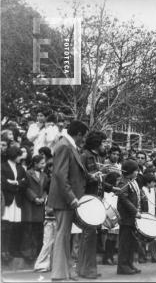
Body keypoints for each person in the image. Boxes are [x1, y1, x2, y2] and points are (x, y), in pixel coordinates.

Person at [47, 120, 89, 281]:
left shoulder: (68, 145)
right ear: (78, 134)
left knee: (65, 236)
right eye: (83, 137)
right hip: (64, 200)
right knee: (62, 235)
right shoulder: (64, 146)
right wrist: (71, 198)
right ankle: (58, 274)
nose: (84, 140)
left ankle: (64, 272)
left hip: (66, 199)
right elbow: (60, 175)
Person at [76, 131, 108, 279]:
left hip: (95, 199)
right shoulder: (85, 156)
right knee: (89, 235)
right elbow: (80, 178)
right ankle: (87, 270)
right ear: (97, 144)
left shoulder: (96, 157)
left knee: (90, 236)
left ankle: (86, 269)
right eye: (103, 142)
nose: (106, 145)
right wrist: (94, 177)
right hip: (88, 200)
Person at [1, 146, 27, 262]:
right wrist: (18, 183)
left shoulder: (20, 168)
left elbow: (25, 183)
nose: (20, 157)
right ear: (14, 155)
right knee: (6, 226)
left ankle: (12, 250)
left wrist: (14, 182)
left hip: (17, 200)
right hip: (8, 200)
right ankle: (4, 250)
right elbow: (4, 184)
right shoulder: (3, 167)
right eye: (18, 155)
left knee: (16, 226)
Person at [116, 159, 142, 275]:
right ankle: (122, 266)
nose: (137, 172)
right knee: (125, 242)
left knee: (131, 242)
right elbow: (123, 199)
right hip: (126, 217)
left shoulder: (131, 180)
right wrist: (135, 211)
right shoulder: (123, 182)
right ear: (130, 171)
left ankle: (129, 263)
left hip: (132, 217)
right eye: (136, 170)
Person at [21, 155, 49, 262]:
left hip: (40, 205)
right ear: (35, 163)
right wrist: (34, 198)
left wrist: (43, 197)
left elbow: (46, 189)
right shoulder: (28, 173)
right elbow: (26, 188)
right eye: (41, 163)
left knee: (38, 230)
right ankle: (27, 253)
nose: (44, 165)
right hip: (29, 205)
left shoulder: (45, 175)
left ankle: (37, 253)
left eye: (44, 163)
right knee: (28, 229)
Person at [140, 172, 156, 263]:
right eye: (153, 182)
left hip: (154, 217)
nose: (154, 184)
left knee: (154, 237)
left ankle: (155, 257)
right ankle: (142, 257)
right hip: (144, 217)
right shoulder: (141, 191)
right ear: (147, 182)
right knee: (142, 237)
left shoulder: (155, 190)